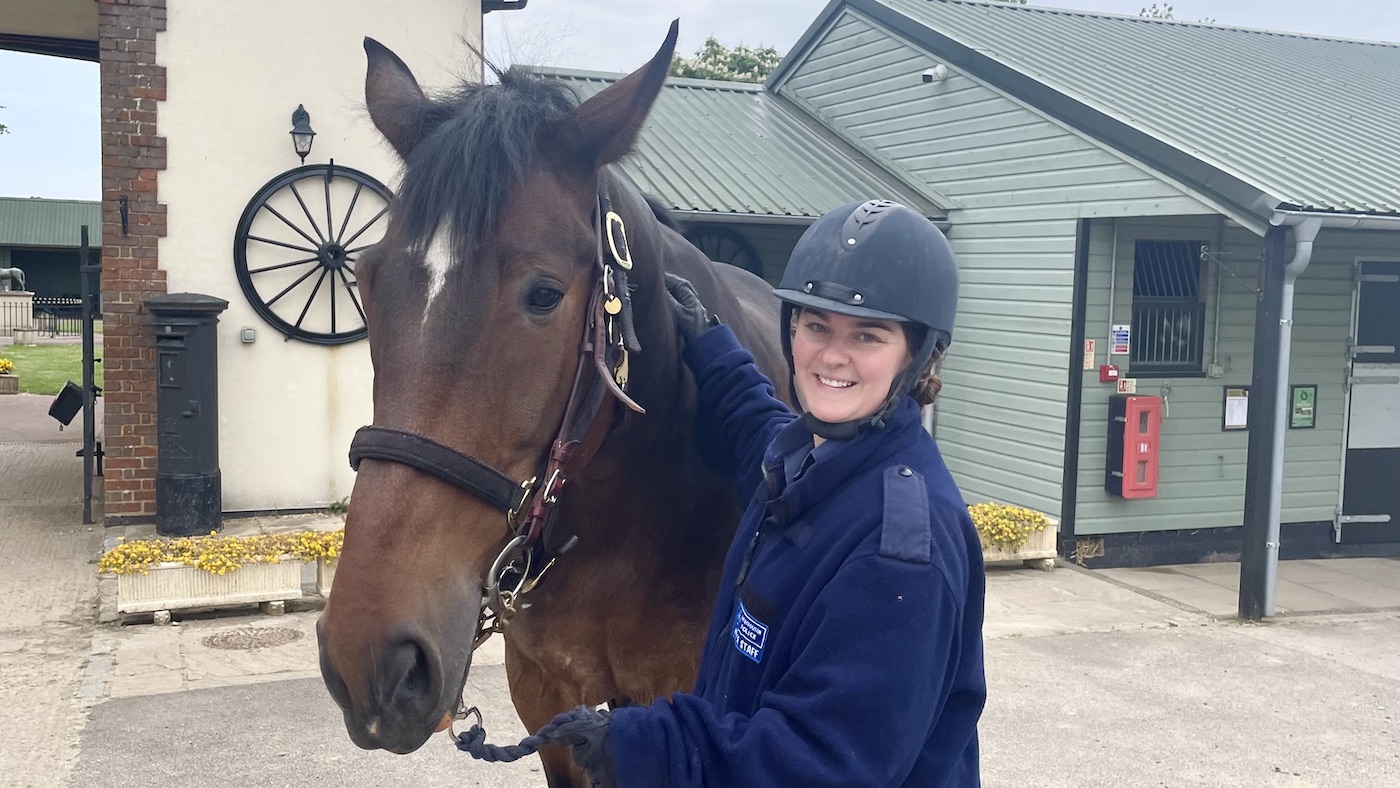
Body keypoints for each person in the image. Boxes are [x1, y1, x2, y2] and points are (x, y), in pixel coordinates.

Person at [542, 199, 986, 787]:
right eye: (816, 326)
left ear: (918, 354)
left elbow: (821, 766)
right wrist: (712, 349)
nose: (832, 355)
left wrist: (645, 747)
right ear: (790, 331)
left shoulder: (898, 556)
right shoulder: (825, 462)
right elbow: (761, 436)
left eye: (869, 336)